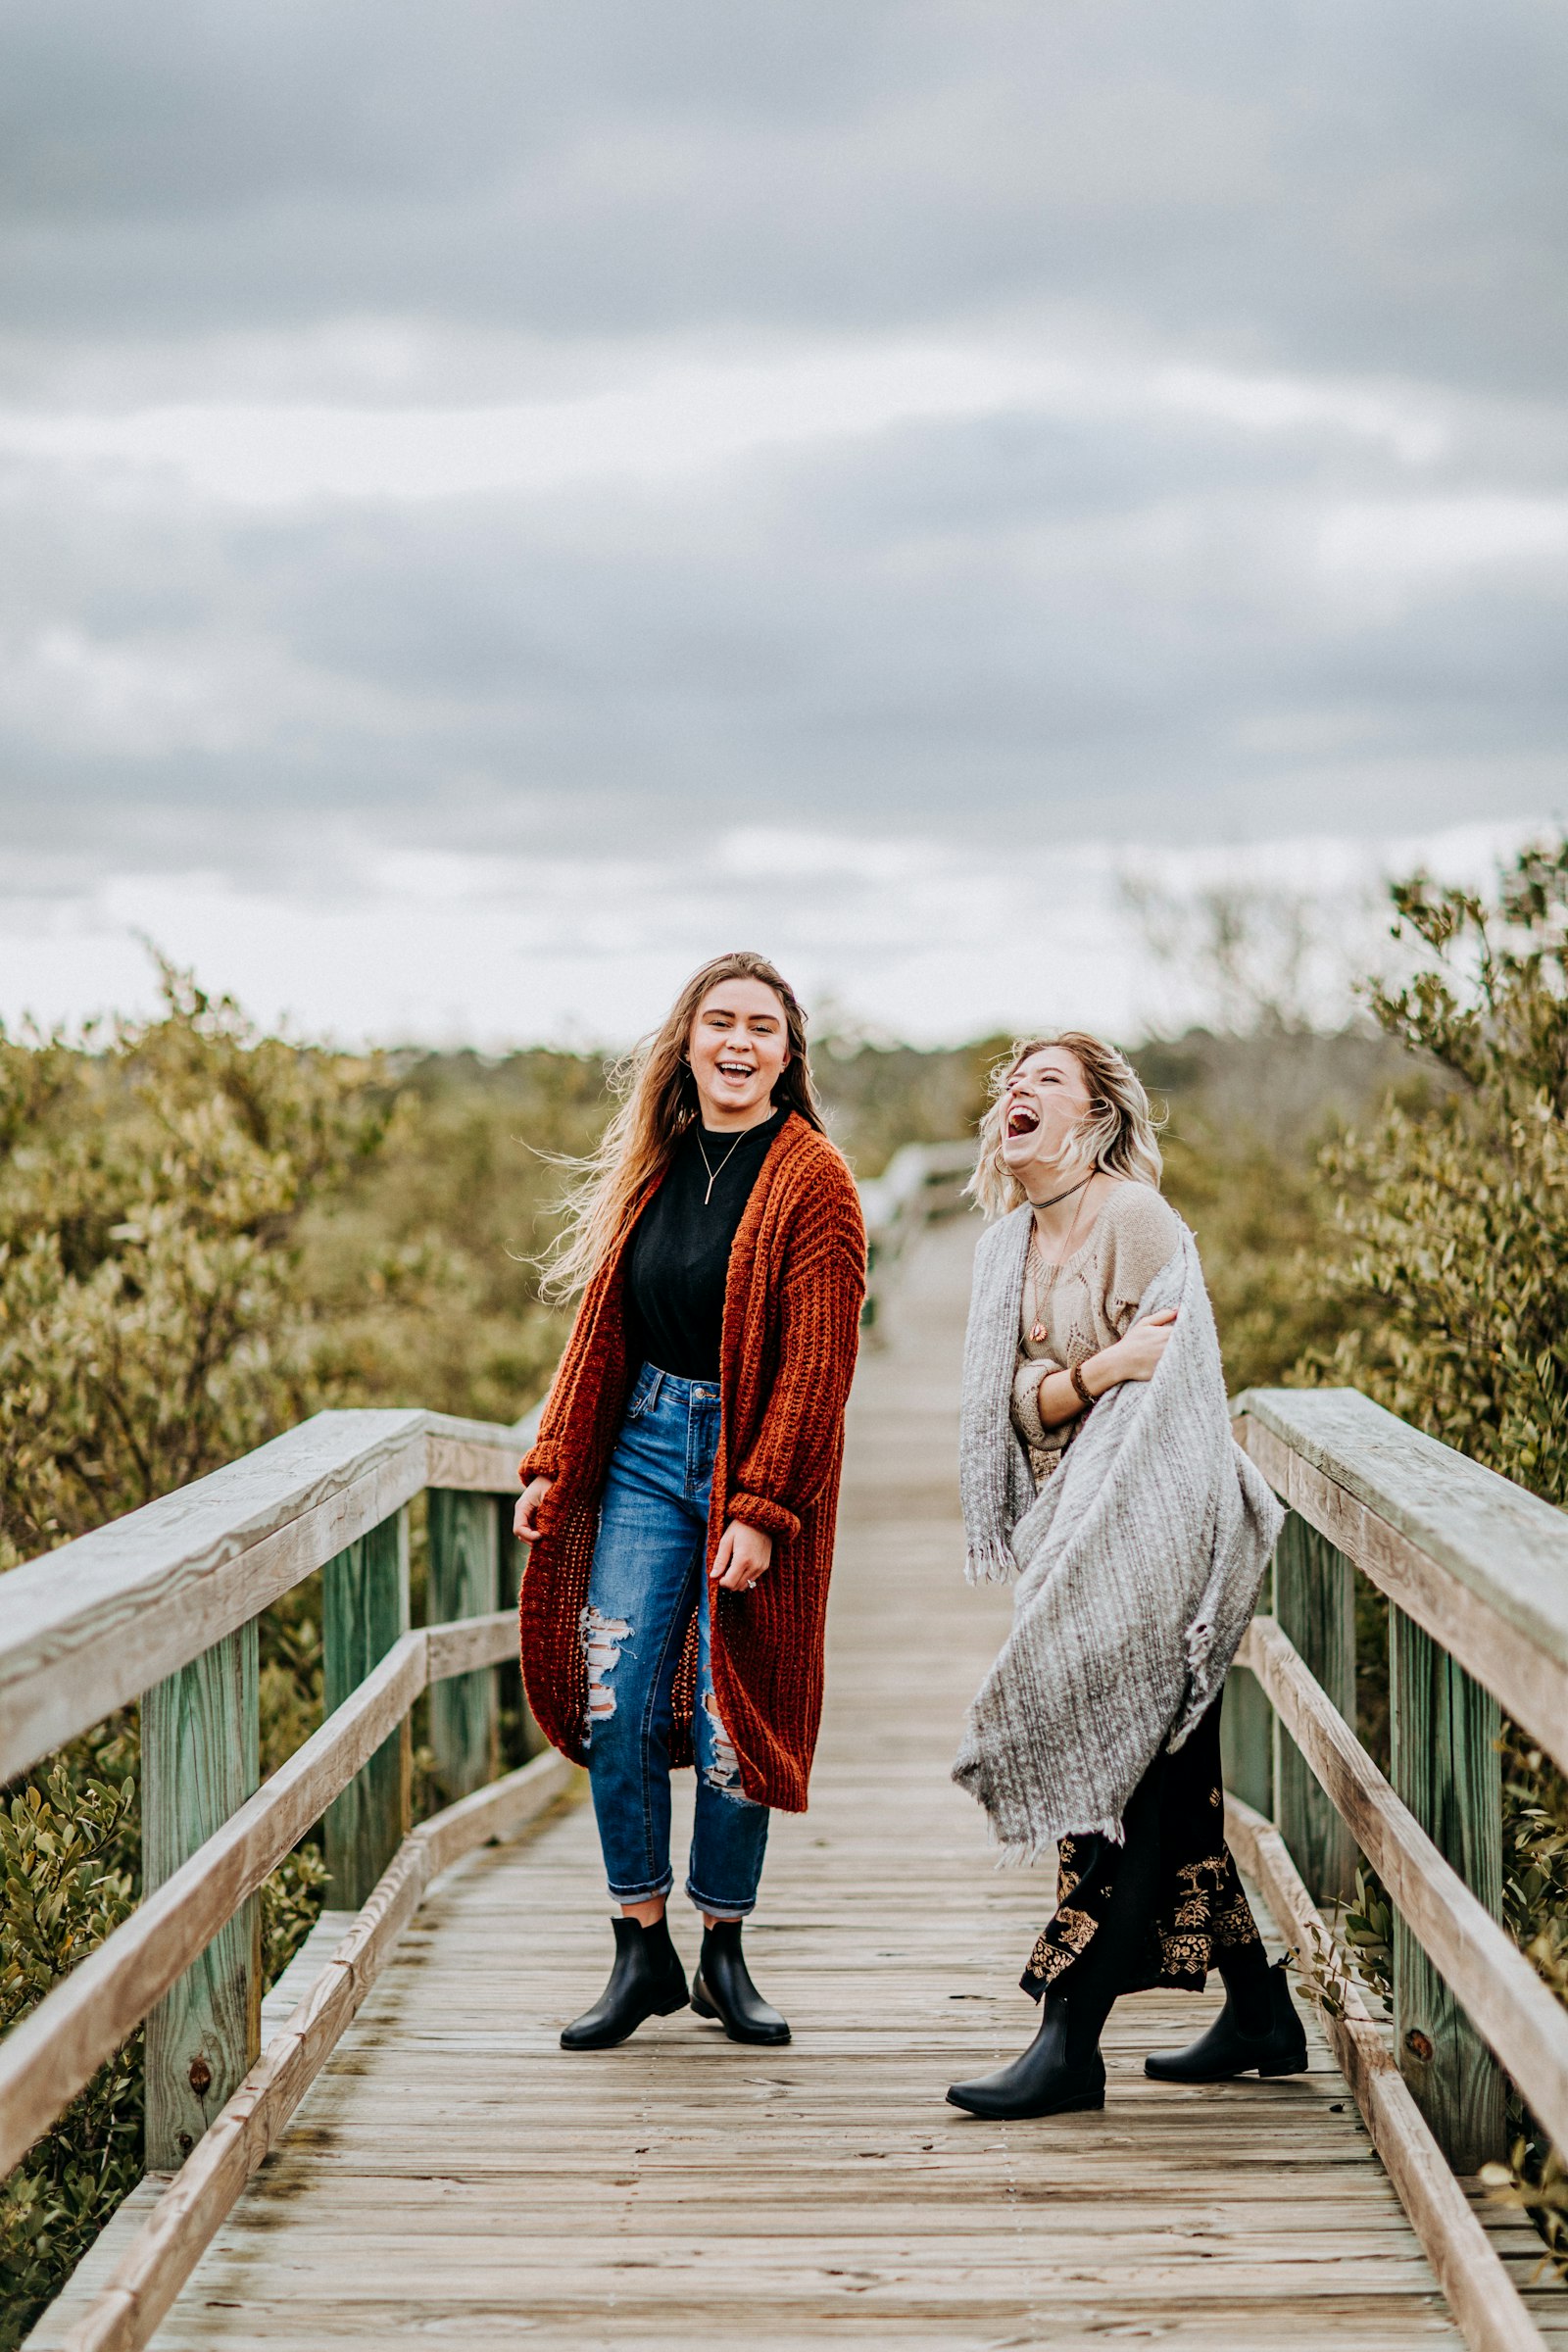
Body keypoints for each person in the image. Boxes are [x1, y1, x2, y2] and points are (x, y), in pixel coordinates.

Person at [946, 1033, 1304, 2120]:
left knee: (1121, 1791)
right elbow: (1007, 1407)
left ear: (1095, 1117)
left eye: (1046, 1080)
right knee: (1169, 1794)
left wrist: (1061, 1389)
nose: (1019, 1090)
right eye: (1011, 1079)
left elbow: (1179, 1392)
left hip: (1154, 1536)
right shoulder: (1004, 1247)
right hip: (1068, 1541)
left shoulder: (1137, 1221)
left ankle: (1069, 2038)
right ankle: (1259, 2013)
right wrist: (1093, 1371)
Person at [514, 951, 864, 2053]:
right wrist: (554, 1460)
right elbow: (601, 1333)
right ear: (688, 1040)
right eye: (720, 1021)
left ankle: (723, 1951)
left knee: (730, 1715)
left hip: (744, 1458)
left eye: (762, 1027)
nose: (738, 1042)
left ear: (786, 1054)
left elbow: (817, 1367)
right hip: (644, 1449)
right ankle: (640, 1947)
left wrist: (762, 1509)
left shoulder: (815, 1182)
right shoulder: (655, 1168)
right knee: (611, 1693)